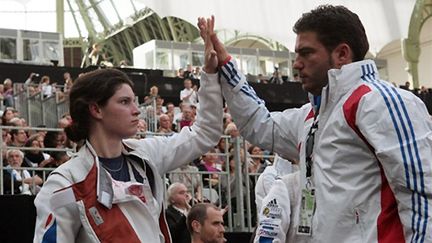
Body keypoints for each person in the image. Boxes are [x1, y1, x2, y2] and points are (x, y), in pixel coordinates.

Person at [198, 6, 432, 242]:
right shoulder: (311, 116)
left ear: (342, 54)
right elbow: (260, 124)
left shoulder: (380, 101)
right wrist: (226, 66)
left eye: (306, 53)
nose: (296, 64)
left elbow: (423, 196)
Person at [33, 32, 224, 243]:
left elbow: (205, 133)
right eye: (124, 102)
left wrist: (210, 74)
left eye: (135, 101)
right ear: (96, 109)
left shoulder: (146, 154)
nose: (136, 110)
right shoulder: (66, 182)